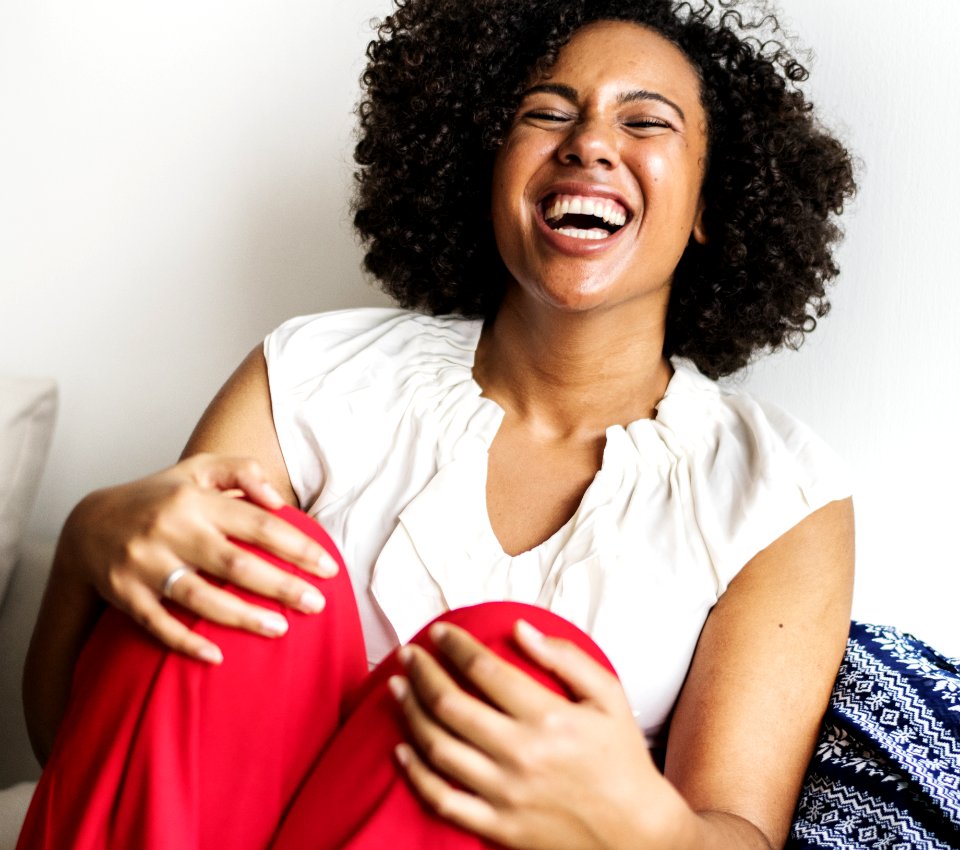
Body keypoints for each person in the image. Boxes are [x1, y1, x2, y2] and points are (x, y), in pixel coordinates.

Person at [18, 1, 862, 848]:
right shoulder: (312, 373)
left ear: (711, 202)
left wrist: (636, 819)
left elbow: (739, 829)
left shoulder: (779, 491)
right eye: (546, 113)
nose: (590, 143)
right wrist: (88, 541)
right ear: (489, 167)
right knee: (238, 559)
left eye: (645, 121)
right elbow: (101, 751)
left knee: (512, 666)